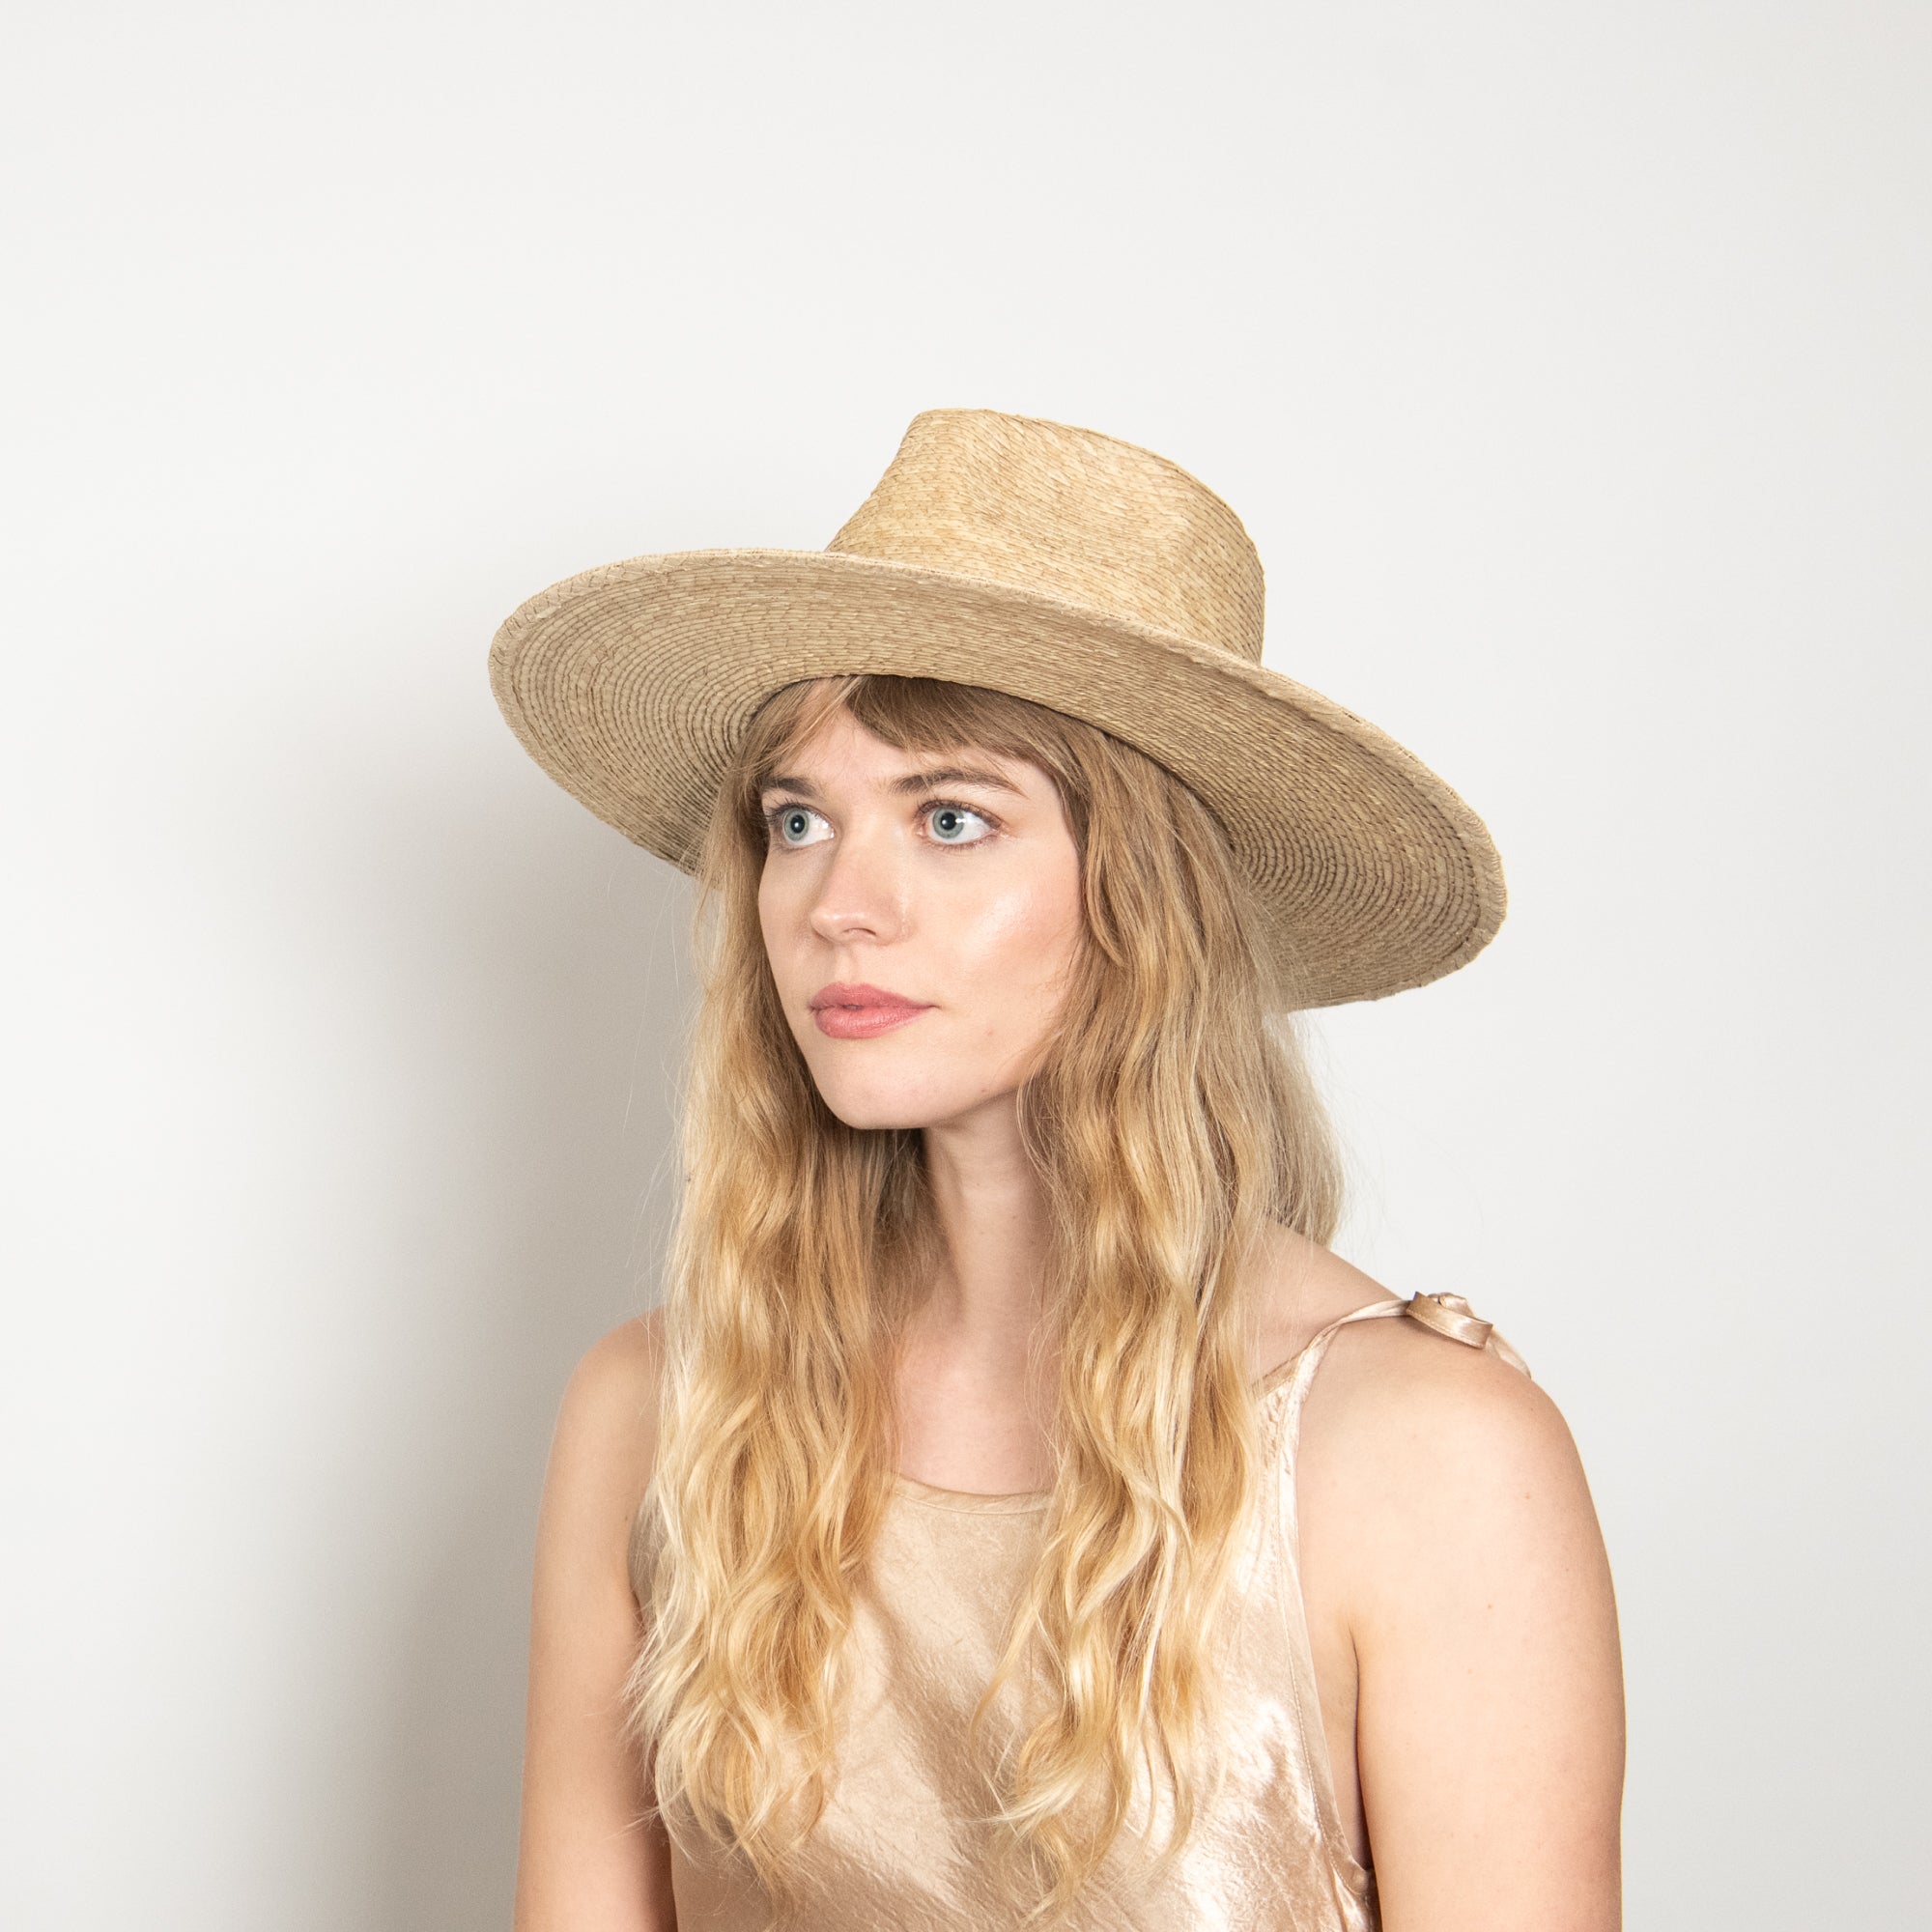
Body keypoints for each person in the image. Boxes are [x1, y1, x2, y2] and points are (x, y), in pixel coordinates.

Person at [493, 410, 1625, 1931]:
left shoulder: (1420, 1452)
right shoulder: (661, 1412)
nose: (838, 904)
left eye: (951, 817)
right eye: (797, 820)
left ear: (1146, 902)